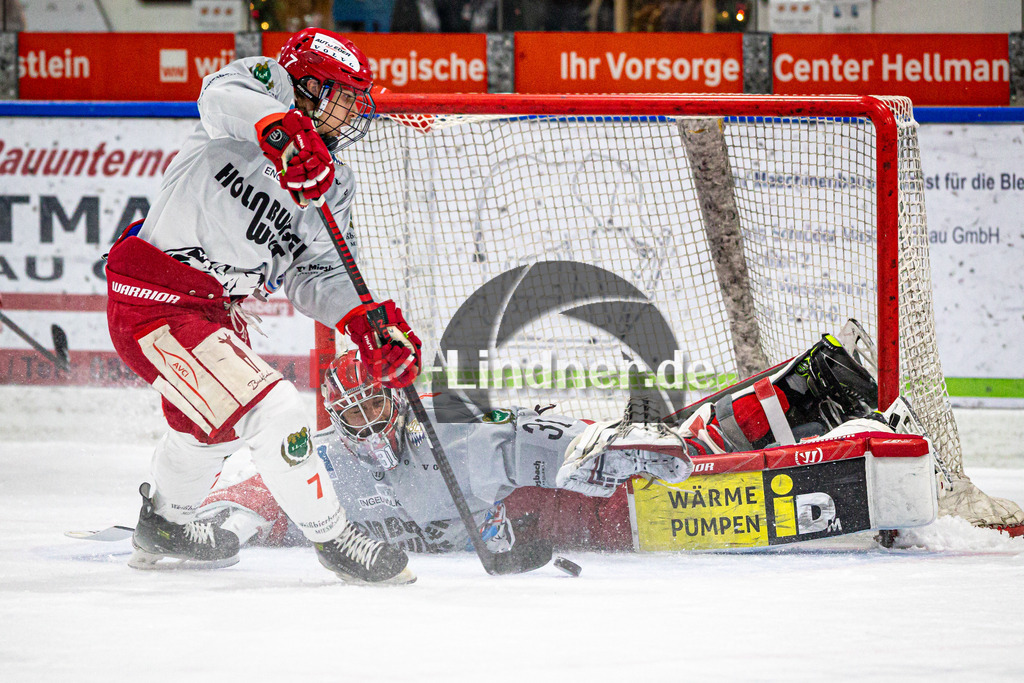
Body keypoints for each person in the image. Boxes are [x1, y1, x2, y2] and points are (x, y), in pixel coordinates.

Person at [104, 28, 422, 585]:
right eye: (345, 95)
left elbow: (315, 271)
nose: (353, 113)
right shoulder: (264, 85)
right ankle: (334, 538)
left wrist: (366, 323)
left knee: (209, 430)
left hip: (212, 310)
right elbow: (217, 98)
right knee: (275, 411)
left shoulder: (334, 182)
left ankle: (165, 526)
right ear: (310, 85)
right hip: (156, 297)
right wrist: (278, 131)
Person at [195, 334, 882, 556]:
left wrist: (614, 452)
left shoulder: (452, 422)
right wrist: (226, 520)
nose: (369, 419)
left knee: (676, 457)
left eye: (378, 400)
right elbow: (254, 473)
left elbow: (547, 438)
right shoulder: (326, 459)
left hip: (570, 510)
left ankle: (812, 385)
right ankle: (816, 409)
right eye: (353, 409)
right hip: (554, 537)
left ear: (398, 398)